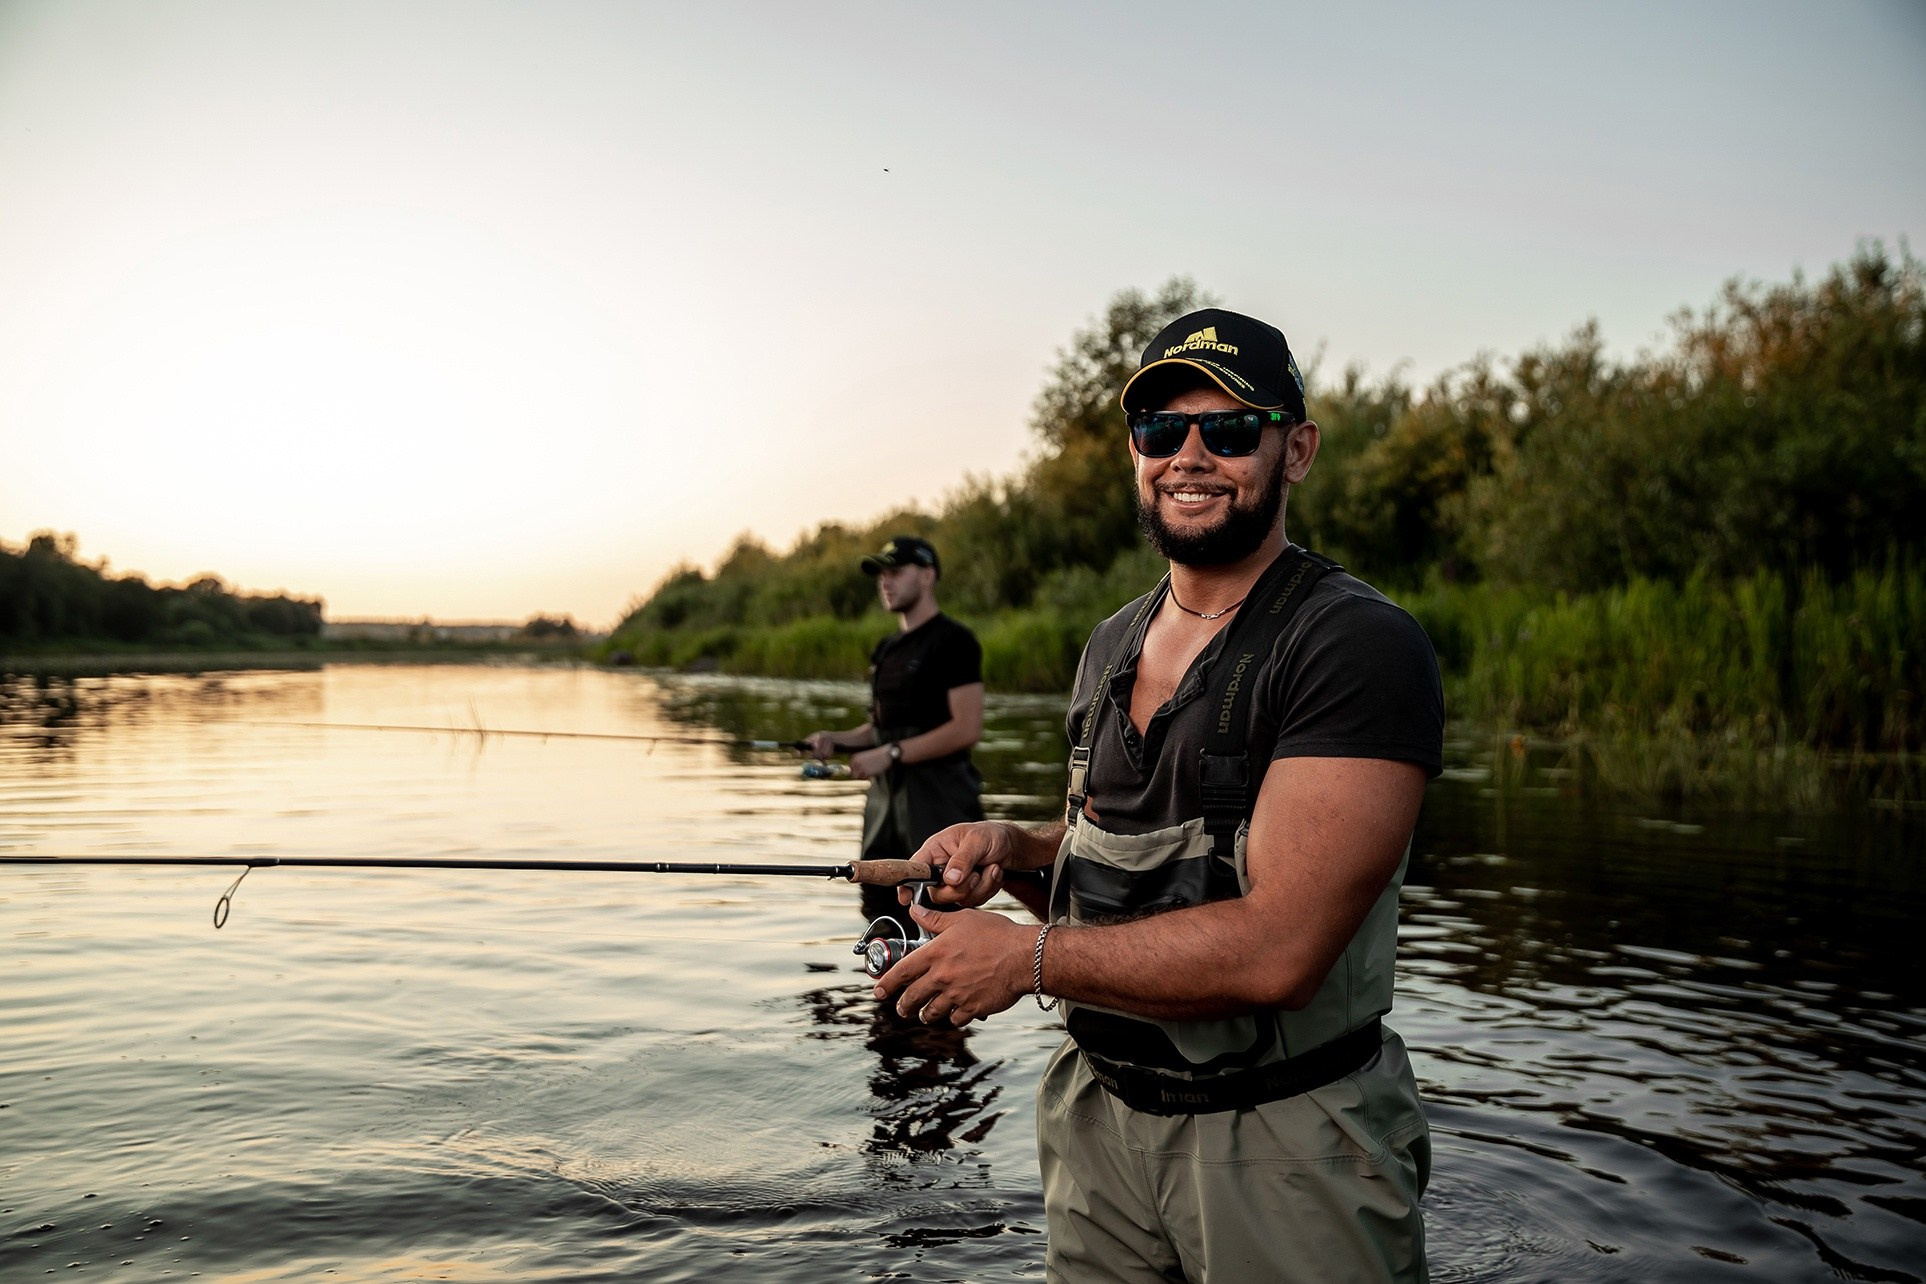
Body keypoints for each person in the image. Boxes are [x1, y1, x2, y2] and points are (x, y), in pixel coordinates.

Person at [871, 309, 1444, 1282]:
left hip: (1287, 1143)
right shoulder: (1107, 645)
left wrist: (1025, 961)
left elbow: (1281, 951)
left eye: (1228, 430)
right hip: (1096, 1125)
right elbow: (1118, 879)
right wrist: (1010, 853)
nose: (1189, 456)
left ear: (1295, 449)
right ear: (1135, 452)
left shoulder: (1355, 645)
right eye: (1160, 430)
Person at [804, 535, 986, 919]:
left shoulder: (954, 641)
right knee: (879, 924)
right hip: (882, 821)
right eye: (880, 574)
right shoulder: (886, 649)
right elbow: (878, 729)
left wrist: (890, 754)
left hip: (938, 812)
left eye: (896, 572)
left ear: (927, 576)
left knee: (938, 931)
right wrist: (834, 741)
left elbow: (966, 728)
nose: (885, 582)